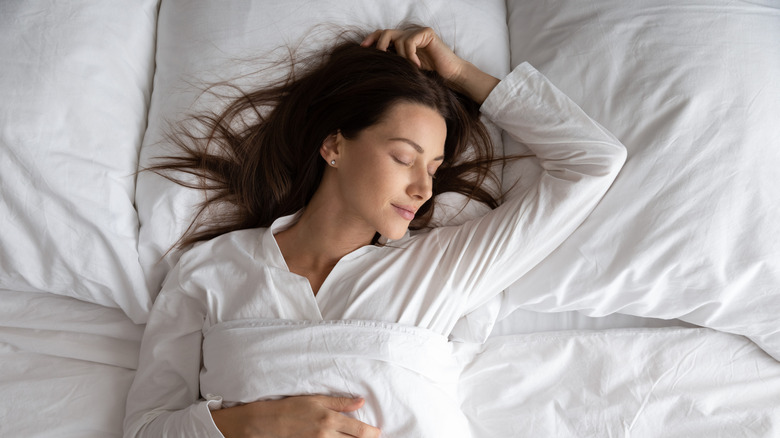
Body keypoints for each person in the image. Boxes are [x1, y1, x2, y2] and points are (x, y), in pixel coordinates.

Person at [124, 27, 626, 438]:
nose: (423, 187)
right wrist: (258, 422)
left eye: (433, 167)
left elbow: (593, 161)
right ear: (335, 147)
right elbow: (145, 429)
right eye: (404, 158)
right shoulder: (212, 270)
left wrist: (459, 73)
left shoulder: (441, 267)